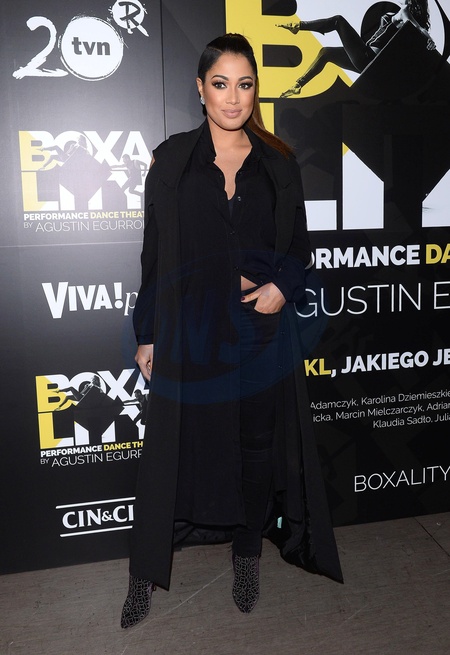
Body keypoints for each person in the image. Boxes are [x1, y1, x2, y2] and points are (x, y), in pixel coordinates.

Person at [121, 33, 342, 629]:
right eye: (221, 84)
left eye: (244, 84)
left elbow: (299, 248)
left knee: (255, 447)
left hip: (257, 330)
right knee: (171, 454)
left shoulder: (279, 163)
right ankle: (145, 574)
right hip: (190, 330)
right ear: (200, 88)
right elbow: (154, 254)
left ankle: (247, 557)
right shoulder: (172, 160)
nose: (233, 97)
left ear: (254, 90)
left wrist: (282, 288)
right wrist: (147, 333)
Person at [278, 0, 435, 97]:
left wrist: (429, 39)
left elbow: (418, 28)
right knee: (326, 53)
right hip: (367, 61)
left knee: (338, 21)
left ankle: (298, 26)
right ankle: (298, 85)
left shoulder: (404, 12)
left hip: (368, 57)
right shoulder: (404, 17)